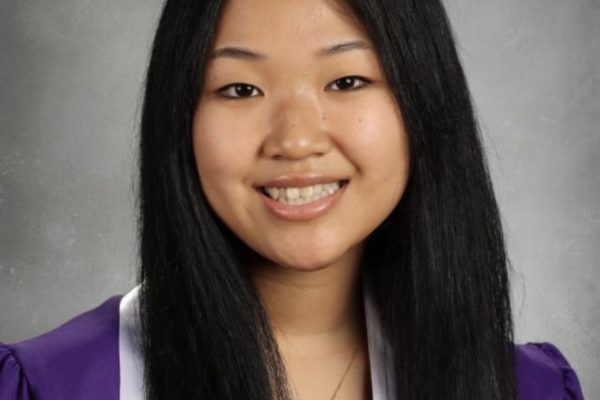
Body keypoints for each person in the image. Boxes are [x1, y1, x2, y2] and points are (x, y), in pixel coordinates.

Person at [0, 0, 586, 399]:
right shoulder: (58, 384)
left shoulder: (526, 389)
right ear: (179, 118)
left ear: (424, 100)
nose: (296, 140)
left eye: (347, 81)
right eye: (240, 89)